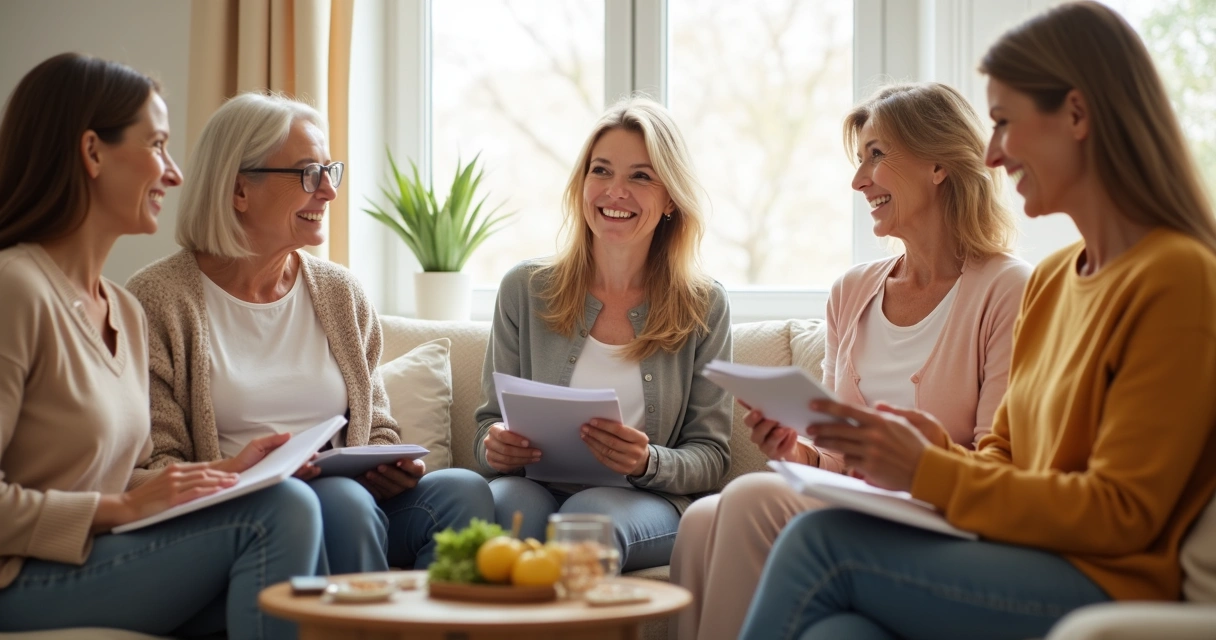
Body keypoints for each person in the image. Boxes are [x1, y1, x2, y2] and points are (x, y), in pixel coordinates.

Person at [739, 3, 1216, 639]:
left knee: (821, 543)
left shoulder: (1176, 276)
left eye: (1003, 123)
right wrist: (923, 449)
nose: (990, 155)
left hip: (1103, 578)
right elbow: (1005, 457)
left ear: (1076, 115)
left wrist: (928, 470)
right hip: (1021, 553)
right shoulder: (1054, 279)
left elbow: (1123, 513)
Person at [669, 81, 1031, 640]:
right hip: (856, 506)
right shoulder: (852, 291)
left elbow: (998, 461)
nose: (859, 180)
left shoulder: (1007, 288)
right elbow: (839, 460)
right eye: (860, 160)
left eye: (877, 156)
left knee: (747, 496)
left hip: (940, 518)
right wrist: (799, 451)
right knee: (698, 520)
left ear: (938, 164)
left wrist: (916, 459)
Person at [0, 53, 322, 640]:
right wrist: (122, 510)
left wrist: (224, 474)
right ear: (92, 152)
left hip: (98, 555)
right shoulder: (15, 290)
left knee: (301, 555)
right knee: (284, 515)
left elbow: (102, 475)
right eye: (157, 146)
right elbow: (105, 500)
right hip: (23, 578)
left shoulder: (122, 307)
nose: (174, 175)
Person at [125, 92, 493, 575]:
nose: (328, 192)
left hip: (351, 498)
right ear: (239, 190)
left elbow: (377, 424)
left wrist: (385, 465)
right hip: (245, 516)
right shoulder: (158, 299)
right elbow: (159, 464)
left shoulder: (339, 292)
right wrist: (263, 476)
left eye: (329, 171)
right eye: (307, 174)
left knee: (463, 491)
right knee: (341, 500)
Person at [475, 96, 732, 572]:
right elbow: (487, 427)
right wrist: (496, 447)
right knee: (496, 510)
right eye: (601, 171)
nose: (615, 192)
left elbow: (712, 455)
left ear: (671, 197)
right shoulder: (524, 290)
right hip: (536, 486)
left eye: (640, 176)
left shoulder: (703, 304)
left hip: (643, 500)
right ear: (582, 184)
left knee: (585, 524)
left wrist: (647, 461)